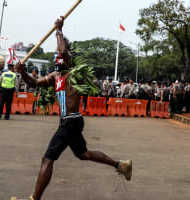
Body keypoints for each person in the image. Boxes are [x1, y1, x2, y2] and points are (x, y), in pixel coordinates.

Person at [14, 16, 132, 199]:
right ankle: (121, 165)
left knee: (47, 159)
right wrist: (22, 72)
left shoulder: (72, 69)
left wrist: (59, 30)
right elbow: (34, 82)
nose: (57, 57)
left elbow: (64, 52)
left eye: (59, 55)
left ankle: (33, 199)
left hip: (71, 121)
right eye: (56, 56)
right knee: (83, 154)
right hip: (70, 121)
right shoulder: (55, 76)